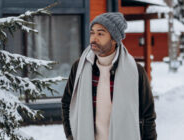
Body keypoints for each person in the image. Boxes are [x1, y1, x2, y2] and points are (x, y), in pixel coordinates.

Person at [61, 12, 157, 140]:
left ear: (114, 39)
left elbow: (148, 114)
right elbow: (67, 103)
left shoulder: (135, 71)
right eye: (92, 33)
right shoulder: (79, 67)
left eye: (100, 33)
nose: (94, 38)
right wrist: (70, 135)